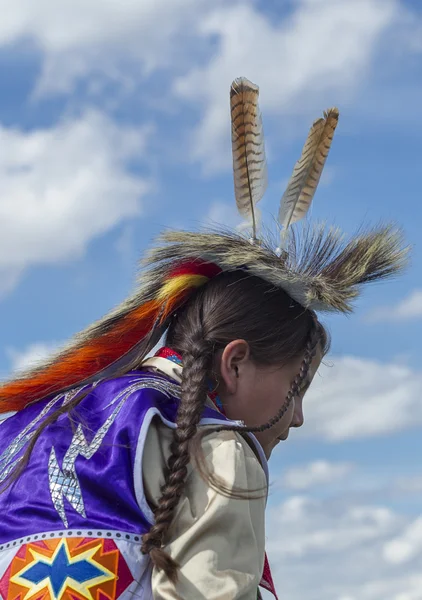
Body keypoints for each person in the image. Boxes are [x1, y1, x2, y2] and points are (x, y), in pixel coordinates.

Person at [0, 78, 407, 600]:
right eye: (298, 386)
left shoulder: (29, 428)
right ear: (235, 363)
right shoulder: (217, 451)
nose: (299, 416)